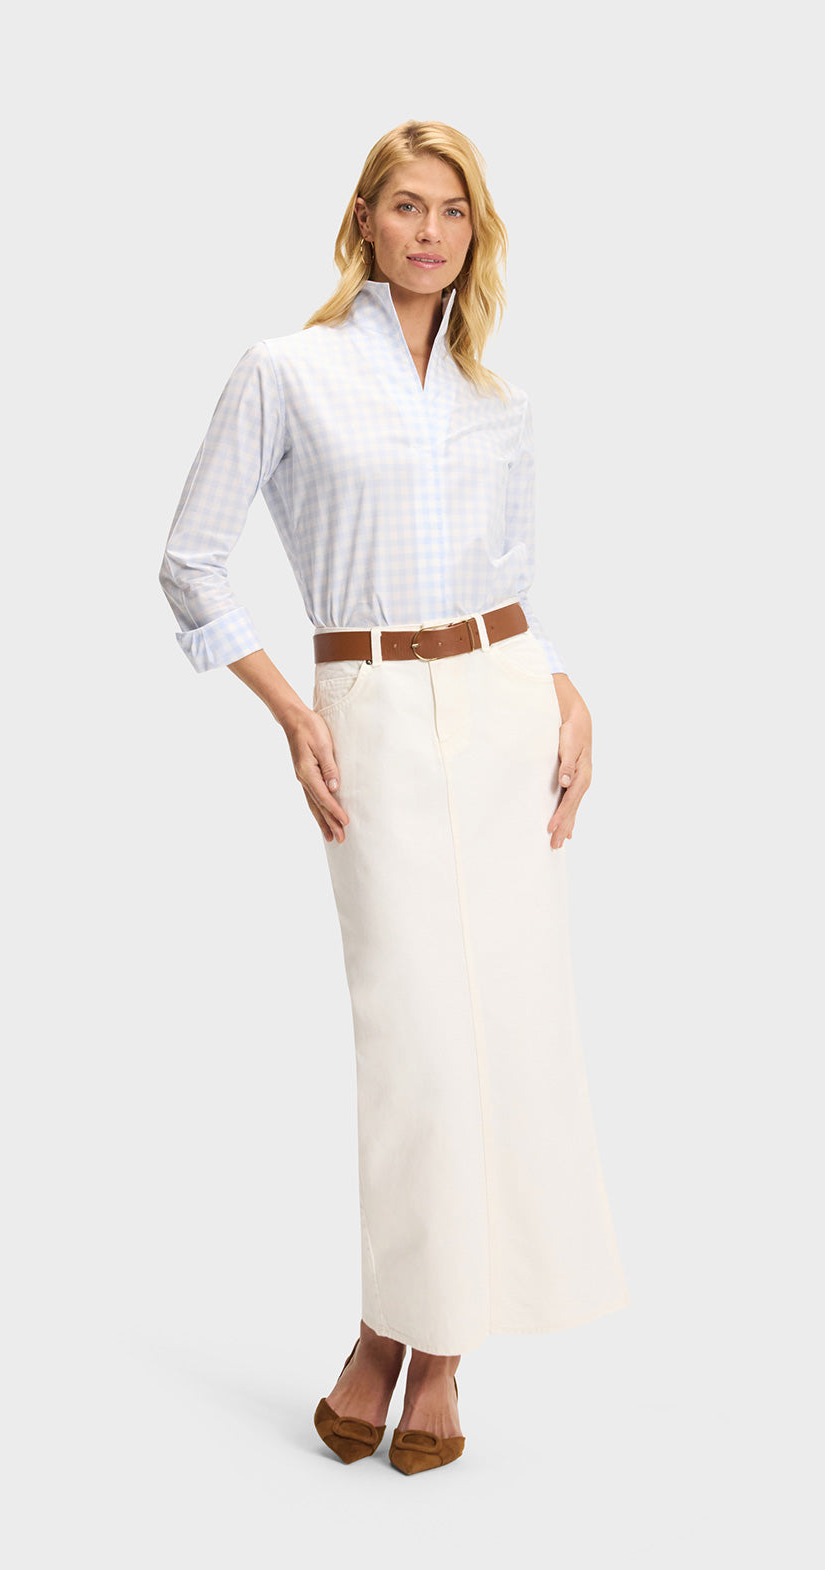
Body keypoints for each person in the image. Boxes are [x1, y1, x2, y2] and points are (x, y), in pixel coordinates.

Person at [158, 119, 631, 1475]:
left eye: (454, 211)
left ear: (477, 233)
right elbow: (190, 560)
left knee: (509, 1030)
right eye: (408, 206)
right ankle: (387, 1331)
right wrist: (291, 709)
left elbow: (511, 581)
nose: (431, 232)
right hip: (363, 704)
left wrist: (568, 693)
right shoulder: (287, 371)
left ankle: (438, 1357)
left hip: (505, 703)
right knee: (415, 1041)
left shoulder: (498, 400)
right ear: (364, 218)